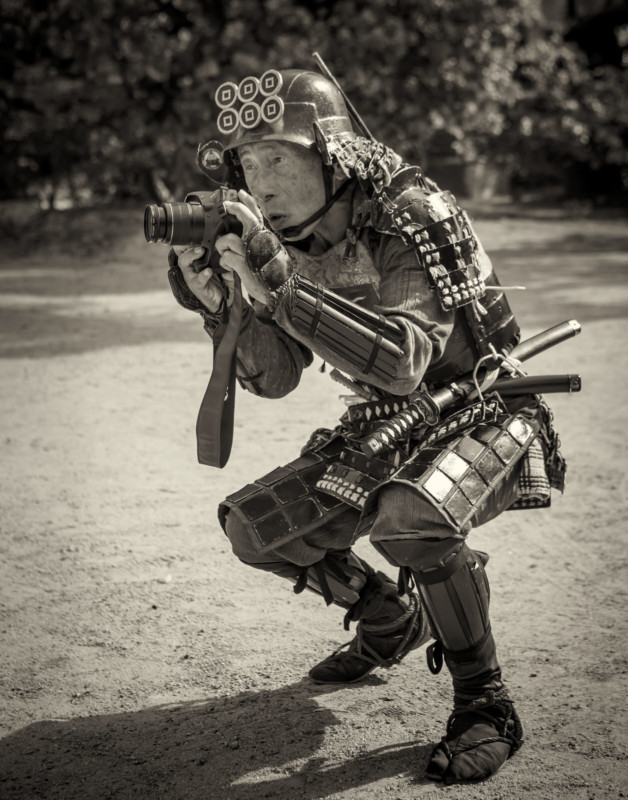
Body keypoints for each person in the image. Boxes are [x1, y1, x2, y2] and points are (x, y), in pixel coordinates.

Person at [166, 68, 566, 785]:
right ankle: (390, 618)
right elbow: (278, 375)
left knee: (407, 516)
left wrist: (279, 281)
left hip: (489, 409)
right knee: (254, 527)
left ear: (334, 155)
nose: (262, 183)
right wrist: (220, 304)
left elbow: (406, 360)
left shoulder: (413, 210)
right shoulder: (285, 240)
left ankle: (485, 701)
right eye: (249, 165)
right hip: (391, 424)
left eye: (280, 158)